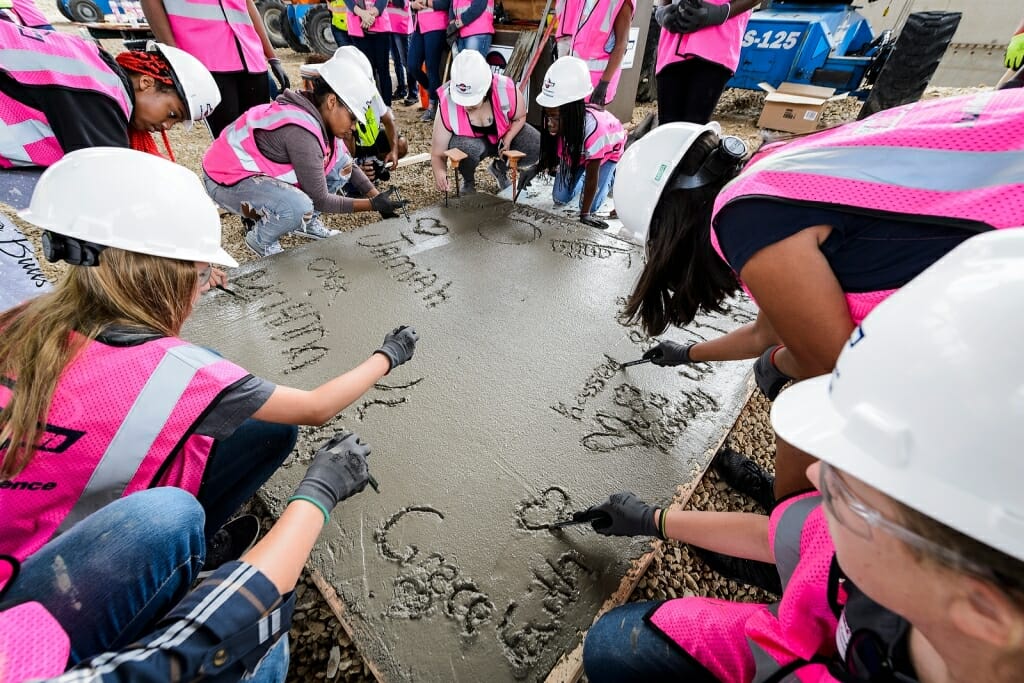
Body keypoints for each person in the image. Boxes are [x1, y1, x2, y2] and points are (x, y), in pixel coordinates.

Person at [579, 229, 1024, 683]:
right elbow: (780, 534)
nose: (813, 471)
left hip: (809, 661)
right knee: (614, 644)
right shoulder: (900, 548)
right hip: (811, 627)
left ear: (981, 611)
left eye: (846, 487)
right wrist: (652, 520)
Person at [0, 148, 420, 583]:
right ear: (173, 281)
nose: (203, 288)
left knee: (258, 426)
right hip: (47, 584)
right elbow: (315, 408)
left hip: (23, 526)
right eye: (200, 274)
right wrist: (388, 355)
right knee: (186, 501)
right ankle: (180, 569)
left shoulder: (22, 319)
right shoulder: (179, 371)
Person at [613, 89, 1024, 507]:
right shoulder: (769, 171)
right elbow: (767, 334)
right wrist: (686, 354)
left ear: (672, 229)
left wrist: (786, 512)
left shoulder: (746, 221)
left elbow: (835, 382)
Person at [0, 431, 376, 679]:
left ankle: (185, 582)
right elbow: (189, 658)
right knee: (263, 636)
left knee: (167, 516)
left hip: (22, 645)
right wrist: (319, 492)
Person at [203, 55, 405, 257]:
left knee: (341, 165)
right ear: (332, 101)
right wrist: (372, 205)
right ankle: (261, 239)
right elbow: (321, 200)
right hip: (226, 179)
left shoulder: (319, 115)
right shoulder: (302, 134)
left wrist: (376, 196)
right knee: (299, 205)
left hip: (245, 172)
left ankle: (306, 223)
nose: (353, 127)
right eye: (352, 117)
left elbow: (348, 165)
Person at [0, 25, 219, 167]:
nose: (167, 127)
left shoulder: (95, 63)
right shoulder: (100, 97)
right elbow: (102, 184)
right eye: (172, 113)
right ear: (146, 82)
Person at [141, 0, 289, 138]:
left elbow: (247, 5)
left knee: (261, 135)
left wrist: (272, 57)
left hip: (250, 56)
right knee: (229, 140)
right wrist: (175, 57)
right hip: (207, 61)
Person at [431, 49, 540, 194]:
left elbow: (519, 117)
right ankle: (468, 181)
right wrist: (440, 172)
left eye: (472, 101)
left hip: (502, 137)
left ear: (486, 88)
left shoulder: (505, 89)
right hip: (471, 144)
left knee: (536, 145)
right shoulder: (446, 102)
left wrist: (508, 139)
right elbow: (437, 153)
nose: (467, 106)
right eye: (462, 100)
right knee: (462, 147)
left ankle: (499, 168)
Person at [536, 56, 626, 228]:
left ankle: (610, 176)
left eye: (554, 117)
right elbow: (552, 156)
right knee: (560, 198)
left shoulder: (594, 131)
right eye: (547, 116)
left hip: (605, 156)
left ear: (571, 113)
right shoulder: (562, 124)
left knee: (590, 206)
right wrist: (534, 169)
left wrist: (585, 215)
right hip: (579, 154)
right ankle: (581, 174)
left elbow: (592, 177)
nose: (549, 123)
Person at [653, 0, 758, 124]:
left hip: (715, 42)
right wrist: (661, 10)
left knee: (693, 127)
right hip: (673, 40)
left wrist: (722, 13)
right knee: (667, 127)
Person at [329, 46, 409, 184]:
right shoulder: (336, 97)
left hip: (368, 140)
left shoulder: (370, 90)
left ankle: (372, 162)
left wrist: (394, 151)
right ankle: (353, 172)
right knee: (347, 133)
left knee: (401, 144)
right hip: (346, 146)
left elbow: (389, 121)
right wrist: (354, 169)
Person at [554, 0, 632, 107]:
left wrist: (604, 84)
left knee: (590, 121)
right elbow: (580, 31)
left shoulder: (621, 2)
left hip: (596, 81)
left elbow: (621, 44)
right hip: (576, 78)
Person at [345, 0, 394, 107]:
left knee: (383, 70)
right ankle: (371, 107)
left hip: (380, 27)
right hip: (358, 28)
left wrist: (369, 16)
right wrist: (363, 14)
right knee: (366, 72)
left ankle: (387, 107)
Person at [407, 0, 450, 121]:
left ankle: (432, 107)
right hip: (419, 26)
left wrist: (426, 2)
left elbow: (446, 3)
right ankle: (434, 92)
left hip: (437, 25)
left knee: (432, 67)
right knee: (412, 64)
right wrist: (412, 5)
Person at [387, 0, 417, 103]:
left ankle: (413, 93)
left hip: (402, 27)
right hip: (389, 26)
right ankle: (401, 90)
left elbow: (403, 3)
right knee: (396, 61)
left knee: (407, 62)